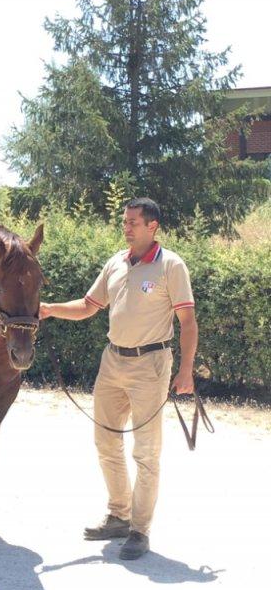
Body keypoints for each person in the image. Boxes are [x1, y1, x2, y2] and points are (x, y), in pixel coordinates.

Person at [40, 198, 197, 560]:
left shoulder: (171, 265)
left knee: (146, 452)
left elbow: (187, 322)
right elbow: (88, 306)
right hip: (112, 362)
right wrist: (49, 309)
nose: (126, 227)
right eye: (124, 221)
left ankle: (139, 530)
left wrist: (186, 369)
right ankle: (118, 515)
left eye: (133, 222)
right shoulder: (116, 262)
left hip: (151, 364)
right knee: (106, 442)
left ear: (152, 225)